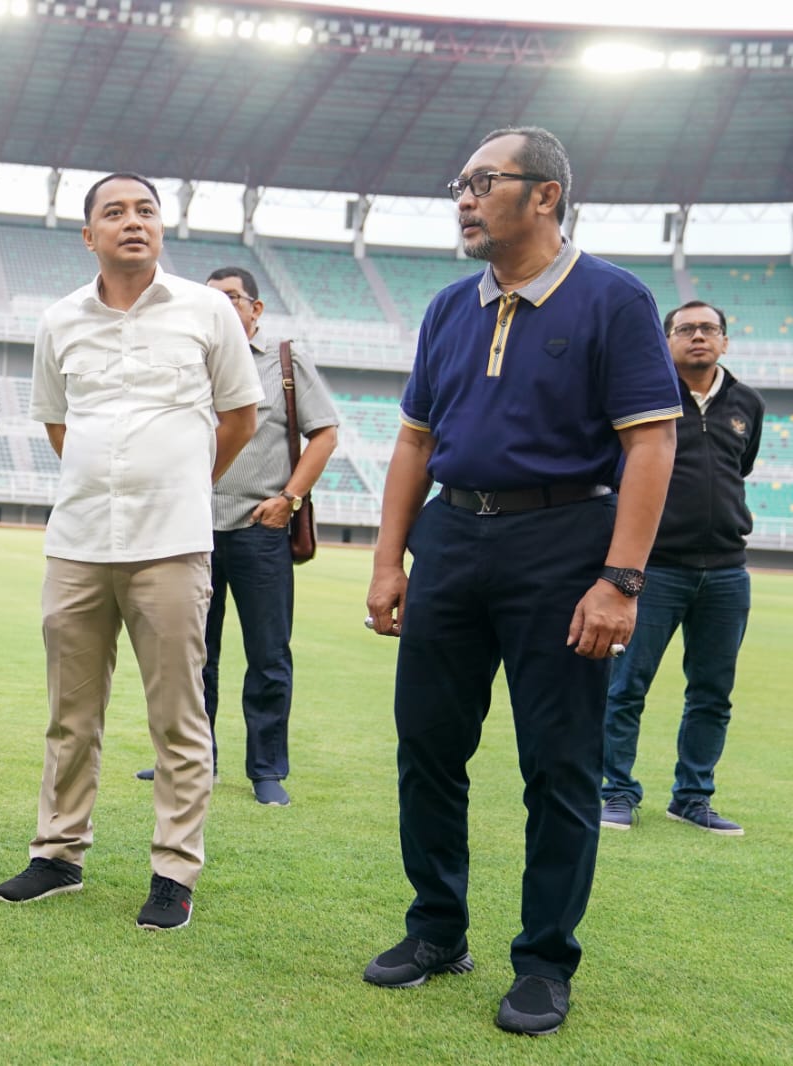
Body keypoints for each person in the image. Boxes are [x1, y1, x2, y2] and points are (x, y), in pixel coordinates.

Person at [362, 127, 680, 1035]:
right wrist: (390, 557)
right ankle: (435, 930)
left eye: (481, 181)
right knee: (426, 746)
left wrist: (619, 578)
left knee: (559, 764)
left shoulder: (614, 298)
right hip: (451, 539)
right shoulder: (445, 308)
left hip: (564, 541)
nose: (462, 198)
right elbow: (415, 441)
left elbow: (649, 441)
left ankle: (543, 961)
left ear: (542, 196)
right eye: (459, 182)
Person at [0, 173, 261, 930]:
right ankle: (57, 854)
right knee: (70, 713)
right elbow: (55, 424)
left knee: (177, 715)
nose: (132, 222)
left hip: (172, 544)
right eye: (114, 212)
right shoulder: (59, 320)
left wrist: (180, 480)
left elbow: (238, 417)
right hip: (77, 543)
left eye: (145, 211)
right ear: (89, 235)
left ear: (161, 228)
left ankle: (172, 871)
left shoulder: (208, 311)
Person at [134, 266, 338, 806]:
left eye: (230, 297)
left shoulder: (285, 363)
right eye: (210, 298)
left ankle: (267, 769)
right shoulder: (188, 363)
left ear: (255, 308)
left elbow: (325, 433)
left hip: (257, 529)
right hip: (191, 528)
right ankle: (192, 760)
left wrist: (288, 499)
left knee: (268, 653)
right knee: (191, 654)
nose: (220, 306)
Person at [600, 300, 762, 836]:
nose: (698, 336)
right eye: (686, 329)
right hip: (656, 568)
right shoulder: (648, 396)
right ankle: (616, 792)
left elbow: (742, 466)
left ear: (724, 340)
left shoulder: (747, 404)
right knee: (626, 687)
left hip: (727, 572)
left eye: (709, 328)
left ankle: (692, 797)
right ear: (667, 340)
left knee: (712, 693)